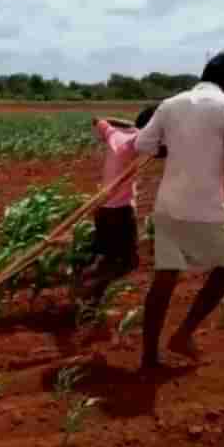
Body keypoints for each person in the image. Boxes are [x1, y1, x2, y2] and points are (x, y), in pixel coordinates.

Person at [133, 51, 224, 368]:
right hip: (204, 207)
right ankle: (184, 333)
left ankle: (149, 355)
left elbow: (142, 145)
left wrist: (175, 149)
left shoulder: (170, 104)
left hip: (168, 204)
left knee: (165, 277)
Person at [69, 106, 158, 315]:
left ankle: (91, 299)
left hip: (103, 208)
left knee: (108, 257)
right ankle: (88, 286)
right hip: (121, 212)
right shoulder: (139, 143)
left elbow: (97, 118)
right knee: (128, 262)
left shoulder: (116, 135)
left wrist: (131, 124)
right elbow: (161, 148)